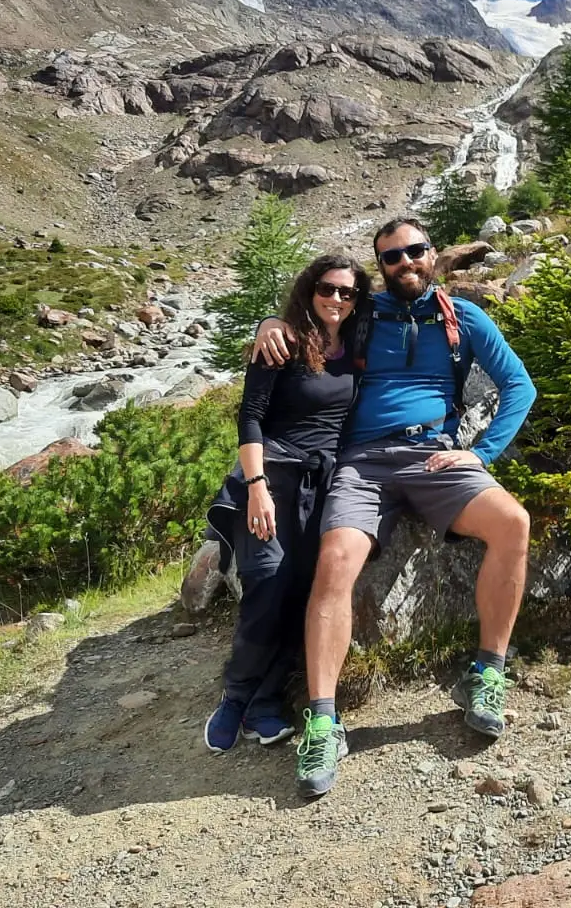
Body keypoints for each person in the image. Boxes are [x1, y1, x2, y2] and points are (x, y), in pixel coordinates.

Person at [254, 216, 536, 798]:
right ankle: (324, 720)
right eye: (391, 257)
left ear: (433, 254)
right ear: (379, 267)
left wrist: (480, 455)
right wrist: (269, 323)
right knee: (335, 562)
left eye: (414, 251)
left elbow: (519, 387)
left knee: (513, 524)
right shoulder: (364, 313)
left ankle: (487, 672)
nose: (405, 262)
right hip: (362, 462)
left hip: (435, 454)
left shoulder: (465, 318)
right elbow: (312, 314)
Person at [202, 253, 371, 753]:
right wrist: (255, 486)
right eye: (327, 288)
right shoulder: (284, 342)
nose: (336, 298)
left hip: (325, 483)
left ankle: (266, 702)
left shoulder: (359, 343)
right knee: (268, 580)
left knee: (303, 589)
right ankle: (235, 696)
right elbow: (250, 417)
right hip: (273, 474)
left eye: (347, 292)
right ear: (308, 289)